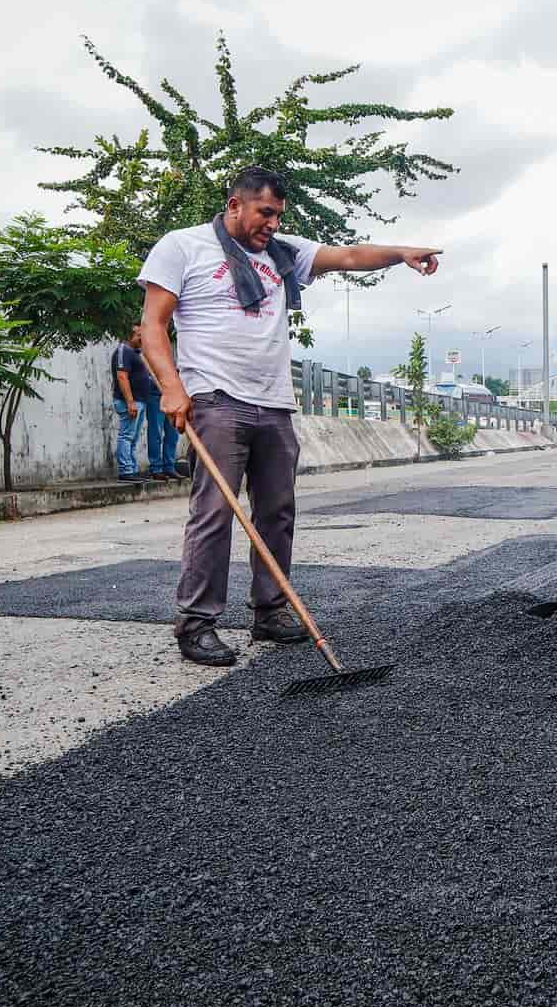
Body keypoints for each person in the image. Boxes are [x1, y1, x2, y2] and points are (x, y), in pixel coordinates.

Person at [138, 166, 442, 667]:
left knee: (277, 512)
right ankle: (196, 622)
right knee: (215, 512)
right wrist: (172, 388)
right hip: (215, 400)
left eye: (278, 215)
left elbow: (347, 255)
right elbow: (152, 324)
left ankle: (270, 612)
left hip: (274, 403)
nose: (273, 224)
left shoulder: (280, 253)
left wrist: (401, 253)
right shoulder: (183, 247)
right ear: (235, 204)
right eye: (265, 213)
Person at [137, 329, 182, 481]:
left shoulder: (170, 353)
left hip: (172, 396)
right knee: (155, 432)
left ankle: (169, 466)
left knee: (172, 433)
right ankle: (156, 468)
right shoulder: (146, 353)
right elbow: (146, 376)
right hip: (155, 396)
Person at [110, 329, 149, 482]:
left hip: (139, 401)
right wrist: (130, 402)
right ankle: (126, 471)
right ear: (129, 335)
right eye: (139, 335)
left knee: (132, 437)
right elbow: (121, 375)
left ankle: (131, 469)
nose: (142, 338)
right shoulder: (123, 350)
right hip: (130, 402)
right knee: (126, 436)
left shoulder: (134, 352)